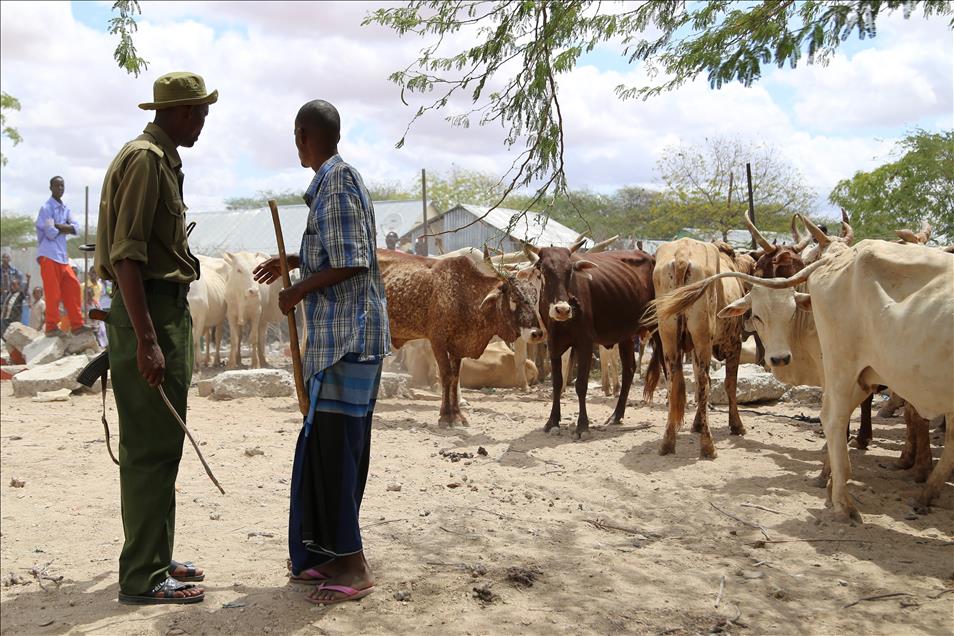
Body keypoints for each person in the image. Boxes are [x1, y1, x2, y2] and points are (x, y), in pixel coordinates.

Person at [254, 99, 390, 606]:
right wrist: (293, 261)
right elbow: (340, 251)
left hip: (346, 341)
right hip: (341, 341)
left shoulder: (336, 183)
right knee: (328, 446)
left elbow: (354, 262)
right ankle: (325, 554)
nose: (296, 144)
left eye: (296, 136)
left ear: (304, 135)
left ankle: (352, 565)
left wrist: (298, 290)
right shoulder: (336, 182)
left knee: (337, 448)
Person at [93, 71, 215, 605]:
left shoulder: (157, 158)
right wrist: (146, 338)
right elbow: (126, 255)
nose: (204, 121)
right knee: (149, 448)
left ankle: (155, 556)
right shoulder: (146, 161)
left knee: (163, 445)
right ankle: (142, 575)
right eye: (200, 112)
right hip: (151, 314)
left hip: (161, 313)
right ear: (182, 112)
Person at [35, 176, 88, 337]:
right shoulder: (46, 208)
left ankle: (77, 325)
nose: (60, 188)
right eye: (57, 186)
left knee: (73, 288)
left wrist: (59, 225)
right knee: (53, 293)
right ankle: (51, 327)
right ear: (50, 187)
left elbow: (77, 229)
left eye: (62, 186)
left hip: (62, 257)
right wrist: (67, 227)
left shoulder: (65, 208)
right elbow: (50, 234)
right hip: (49, 255)